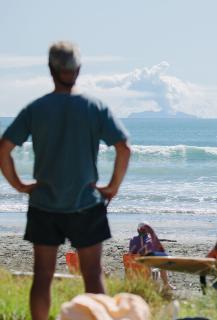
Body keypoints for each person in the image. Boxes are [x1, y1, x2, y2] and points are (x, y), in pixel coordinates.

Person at [0, 41, 131, 320]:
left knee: (43, 276)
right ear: (78, 70)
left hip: (44, 203)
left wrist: (19, 185)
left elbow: (4, 148)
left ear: (50, 69)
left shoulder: (36, 108)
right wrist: (112, 187)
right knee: (93, 276)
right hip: (86, 203)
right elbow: (124, 147)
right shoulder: (94, 106)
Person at [129, 222, 175, 290]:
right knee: (163, 265)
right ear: (148, 231)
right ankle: (166, 284)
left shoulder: (132, 240)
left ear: (137, 230)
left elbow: (131, 253)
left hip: (134, 267)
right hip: (146, 267)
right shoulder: (149, 242)